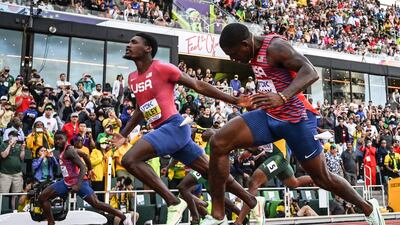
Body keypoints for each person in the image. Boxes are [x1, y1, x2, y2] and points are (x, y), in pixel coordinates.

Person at [203, 23, 384, 225]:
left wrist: (282, 96)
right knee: (219, 142)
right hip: (269, 116)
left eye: (233, 54)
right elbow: (271, 82)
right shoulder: (251, 52)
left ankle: (368, 208)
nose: (232, 59)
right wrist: (254, 99)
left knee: (323, 178)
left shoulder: (275, 47)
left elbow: (311, 71)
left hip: (296, 119)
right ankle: (217, 217)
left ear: (245, 44)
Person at [111, 32, 257, 225]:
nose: (128, 45)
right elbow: (140, 109)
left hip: (174, 127)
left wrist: (234, 100)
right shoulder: (132, 78)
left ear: (148, 49)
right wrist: (123, 134)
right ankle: (248, 203)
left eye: (134, 42)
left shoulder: (162, 68)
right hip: (168, 133)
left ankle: (173, 201)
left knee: (129, 159)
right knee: (212, 173)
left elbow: (197, 84)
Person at [38, 132, 133, 225]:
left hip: (78, 182)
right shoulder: (68, 149)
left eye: (60, 139)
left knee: (96, 203)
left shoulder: (69, 151)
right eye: (56, 139)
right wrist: (91, 169)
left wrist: (78, 185)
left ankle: (124, 217)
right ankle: (51, 222)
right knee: (43, 197)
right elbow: (85, 155)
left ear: (66, 140)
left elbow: (82, 167)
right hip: (66, 182)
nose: (57, 141)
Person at [234, 141, 314, 225]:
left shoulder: (271, 127)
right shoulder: (261, 130)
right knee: (293, 183)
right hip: (278, 157)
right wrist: (249, 151)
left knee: (254, 182)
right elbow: (260, 138)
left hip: (279, 157)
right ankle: (318, 179)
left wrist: (249, 151)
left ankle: (239, 221)